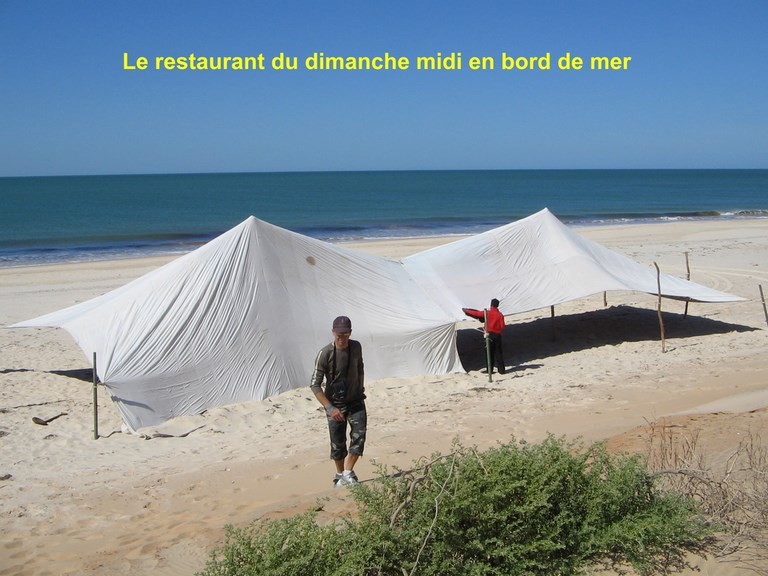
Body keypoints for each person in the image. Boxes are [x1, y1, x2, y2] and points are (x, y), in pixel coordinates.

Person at [310, 315, 367, 487]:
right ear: (333, 332)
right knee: (337, 443)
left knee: (359, 436)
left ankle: (348, 472)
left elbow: (360, 368)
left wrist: (360, 388)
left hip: (356, 400)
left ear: (350, 333)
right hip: (335, 404)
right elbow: (314, 385)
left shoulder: (356, 347)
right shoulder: (325, 353)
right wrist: (329, 408)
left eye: (345, 335)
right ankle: (340, 475)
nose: (342, 339)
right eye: (339, 335)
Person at [462, 298, 507, 374]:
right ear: (497, 306)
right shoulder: (500, 315)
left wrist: (466, 311)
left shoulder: (487, 313)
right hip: (497, 335)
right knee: (499, 353)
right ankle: (501, 370)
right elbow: (502, 326)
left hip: (489, 335)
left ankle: (490, 370)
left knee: (489, 353)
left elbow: (477, 314)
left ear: (491, 305)